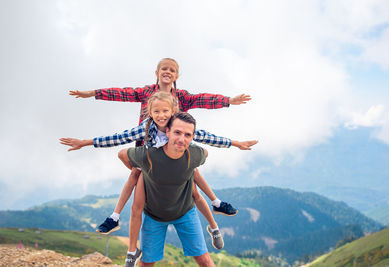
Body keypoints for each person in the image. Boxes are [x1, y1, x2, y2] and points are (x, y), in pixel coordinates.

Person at [60, 92, 257, 266]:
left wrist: (236, 143)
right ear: (150, 113)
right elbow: (118, 138)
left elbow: (208, 138)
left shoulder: (183, 131)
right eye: (157, 112)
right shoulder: (146, 129)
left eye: (166, 112)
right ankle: (115, 217)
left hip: (181, 170)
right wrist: (86, 142)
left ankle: (216, 206)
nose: (162, 116)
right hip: (152, 169)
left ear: (173, 112)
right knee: (136, 181)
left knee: (193, 180)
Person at [69, 59, 250, 233]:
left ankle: (216, 206)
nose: (167, 72)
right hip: (150, 144)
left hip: (176, 145)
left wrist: (229, 102)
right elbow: (122, 95)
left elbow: (204, 101)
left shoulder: (182, 98)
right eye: (164, 68)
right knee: (136, 175)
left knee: (192, 174)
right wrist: (93, 94)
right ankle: (114, 218)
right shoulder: (146, 96)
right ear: (157, 73)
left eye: (172, 70)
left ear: (176, 76)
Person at [130, 112, 217, 266]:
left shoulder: (195, 154)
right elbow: (123, 154)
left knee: (204, 260)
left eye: (187, 135)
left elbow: (206, 154)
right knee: (147, 263)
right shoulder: (149, 155)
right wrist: (143, 172)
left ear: (192, 137)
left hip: (185, 212)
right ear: (167, 132)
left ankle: (215, 229)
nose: (181, 139)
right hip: (153, 216)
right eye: (177, 132)